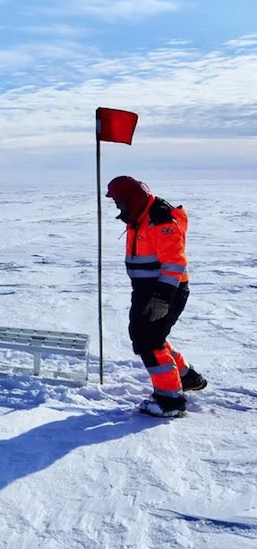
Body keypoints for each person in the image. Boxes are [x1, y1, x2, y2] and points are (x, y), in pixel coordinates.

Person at [105, 175, 207, 417]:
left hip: (164, 291)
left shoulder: (161, 220)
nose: (117, 206)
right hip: (146, 290)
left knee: (149, 342)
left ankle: (169, 401)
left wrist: (161, 298)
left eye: (119, 200)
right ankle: (187, 377)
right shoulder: (140, 216)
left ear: (133, 198)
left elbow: (175, 262)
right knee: (148, 336)